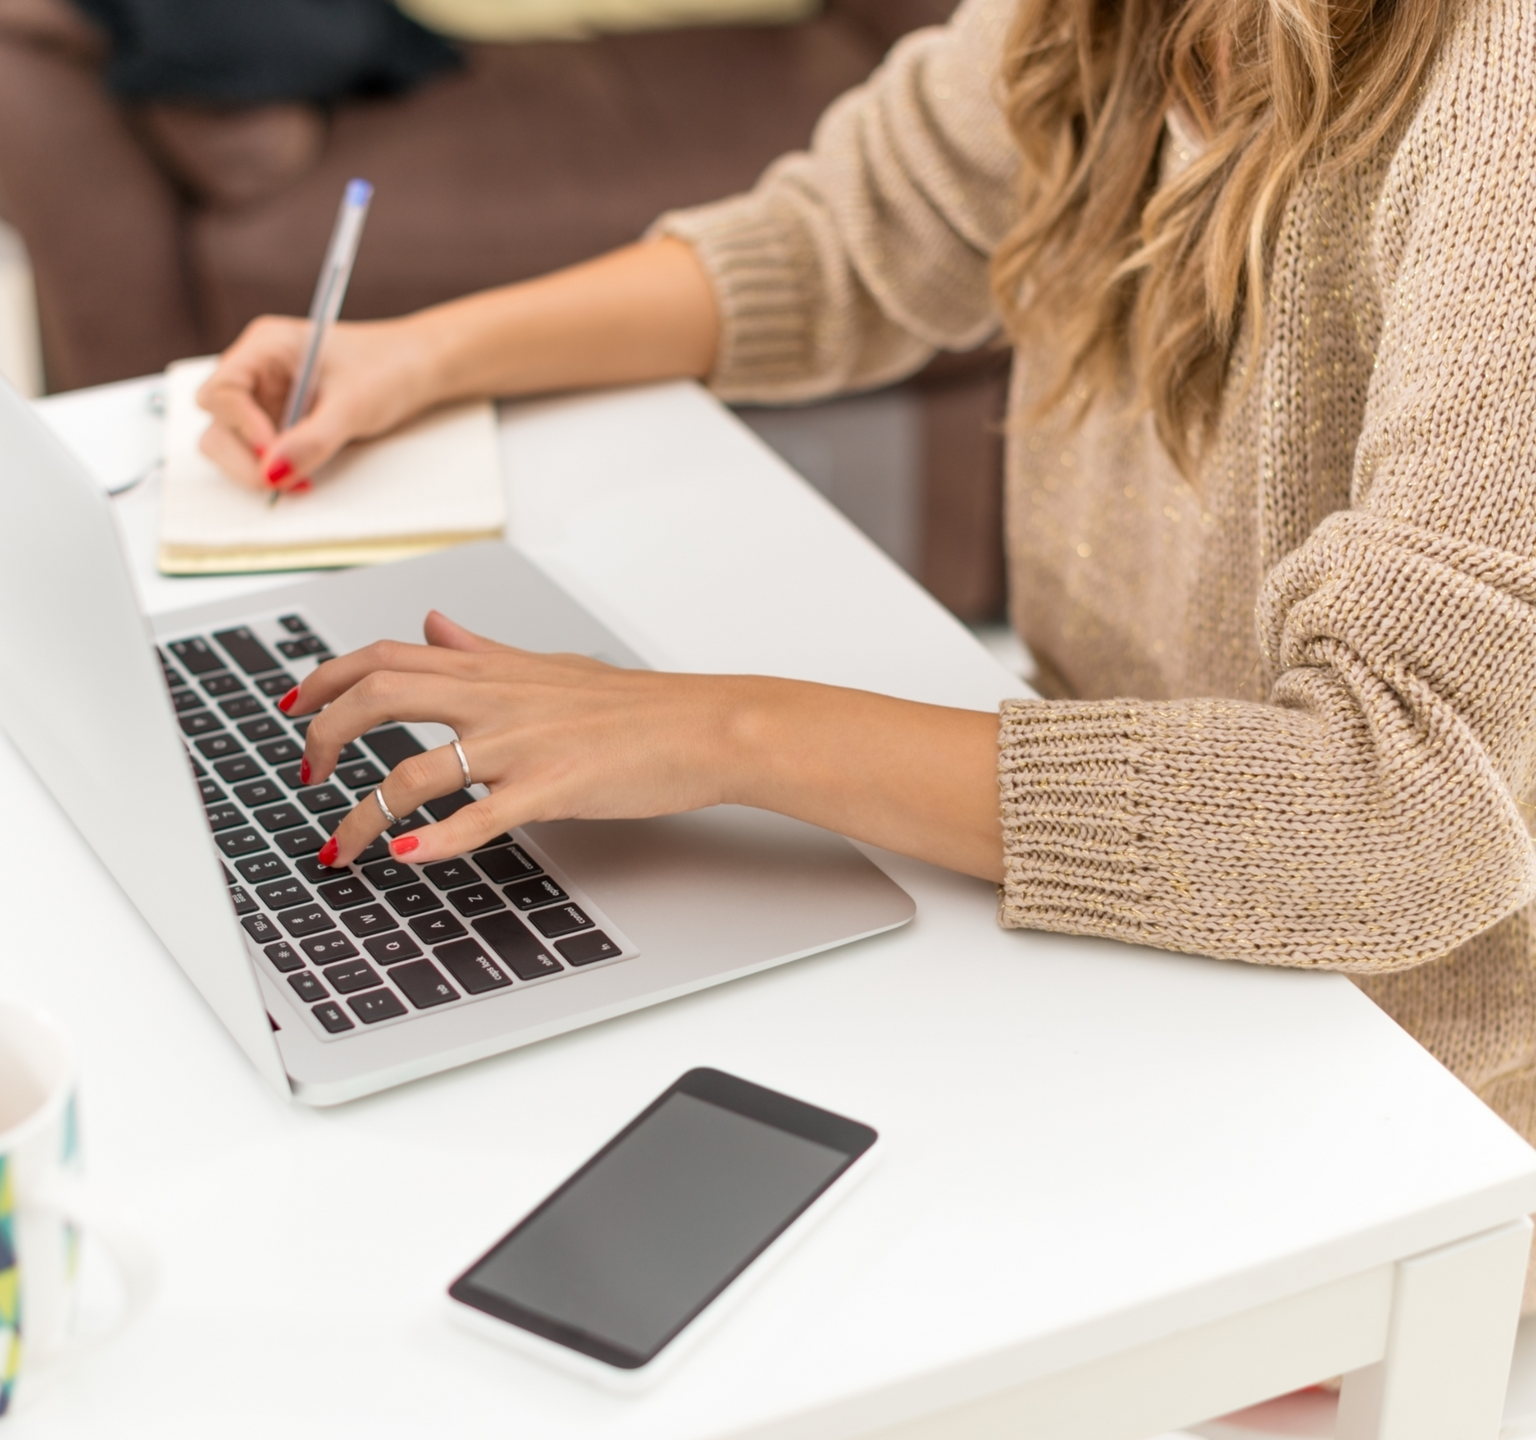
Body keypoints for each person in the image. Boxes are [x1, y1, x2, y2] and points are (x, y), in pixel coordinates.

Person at [199, 0, 1536, 1289]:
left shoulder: (1503, 91)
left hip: (1401, 1089)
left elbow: (1405, 810)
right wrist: (427, 356)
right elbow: (848, 236)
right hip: (1117, 939)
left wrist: (721, 732)